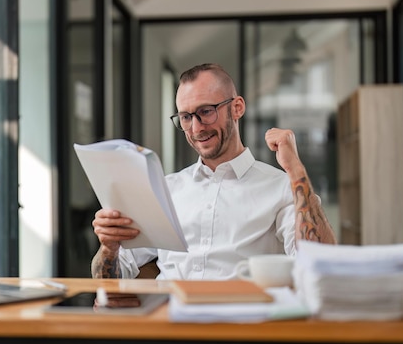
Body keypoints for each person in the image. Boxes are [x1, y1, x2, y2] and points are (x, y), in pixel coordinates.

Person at [90, 63, 337, 280]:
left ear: (237, 107)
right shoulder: (165, 189)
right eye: (186, 117)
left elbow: (318, 263)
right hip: (169, 322)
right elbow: (109, 276)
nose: (196, 128)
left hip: (242, 326)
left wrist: (296, 170)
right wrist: (109, 247)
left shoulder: (282, 186)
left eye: (206, 111)